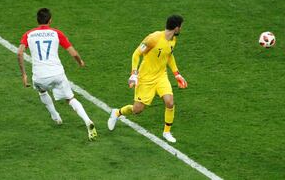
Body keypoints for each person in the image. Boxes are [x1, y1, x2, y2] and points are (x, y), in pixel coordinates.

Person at [17, 8, 97, 141]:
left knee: (42, 91)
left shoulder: (28, 34)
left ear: (37, 20)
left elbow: (20, 53)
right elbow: (73, 53)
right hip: (57, 74)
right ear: (50, 20)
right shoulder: (56, 33)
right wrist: (80, 62)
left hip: (39, 76)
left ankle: (55, 116)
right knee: (70, 98)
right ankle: (88, 121)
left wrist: (24, 74)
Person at [107, 15, 187, 143]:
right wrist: (134, 73)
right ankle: (117, 113)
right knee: (137, 110)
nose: (181, 29)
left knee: (170, 102)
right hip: (146, 78)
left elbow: (169, 55)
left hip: (161, 76)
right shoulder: (153, 38)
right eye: (181, 26)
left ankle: (166, 132)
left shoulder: (173, 40)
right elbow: (136, 53)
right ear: (176, 27)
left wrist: (177, 74)